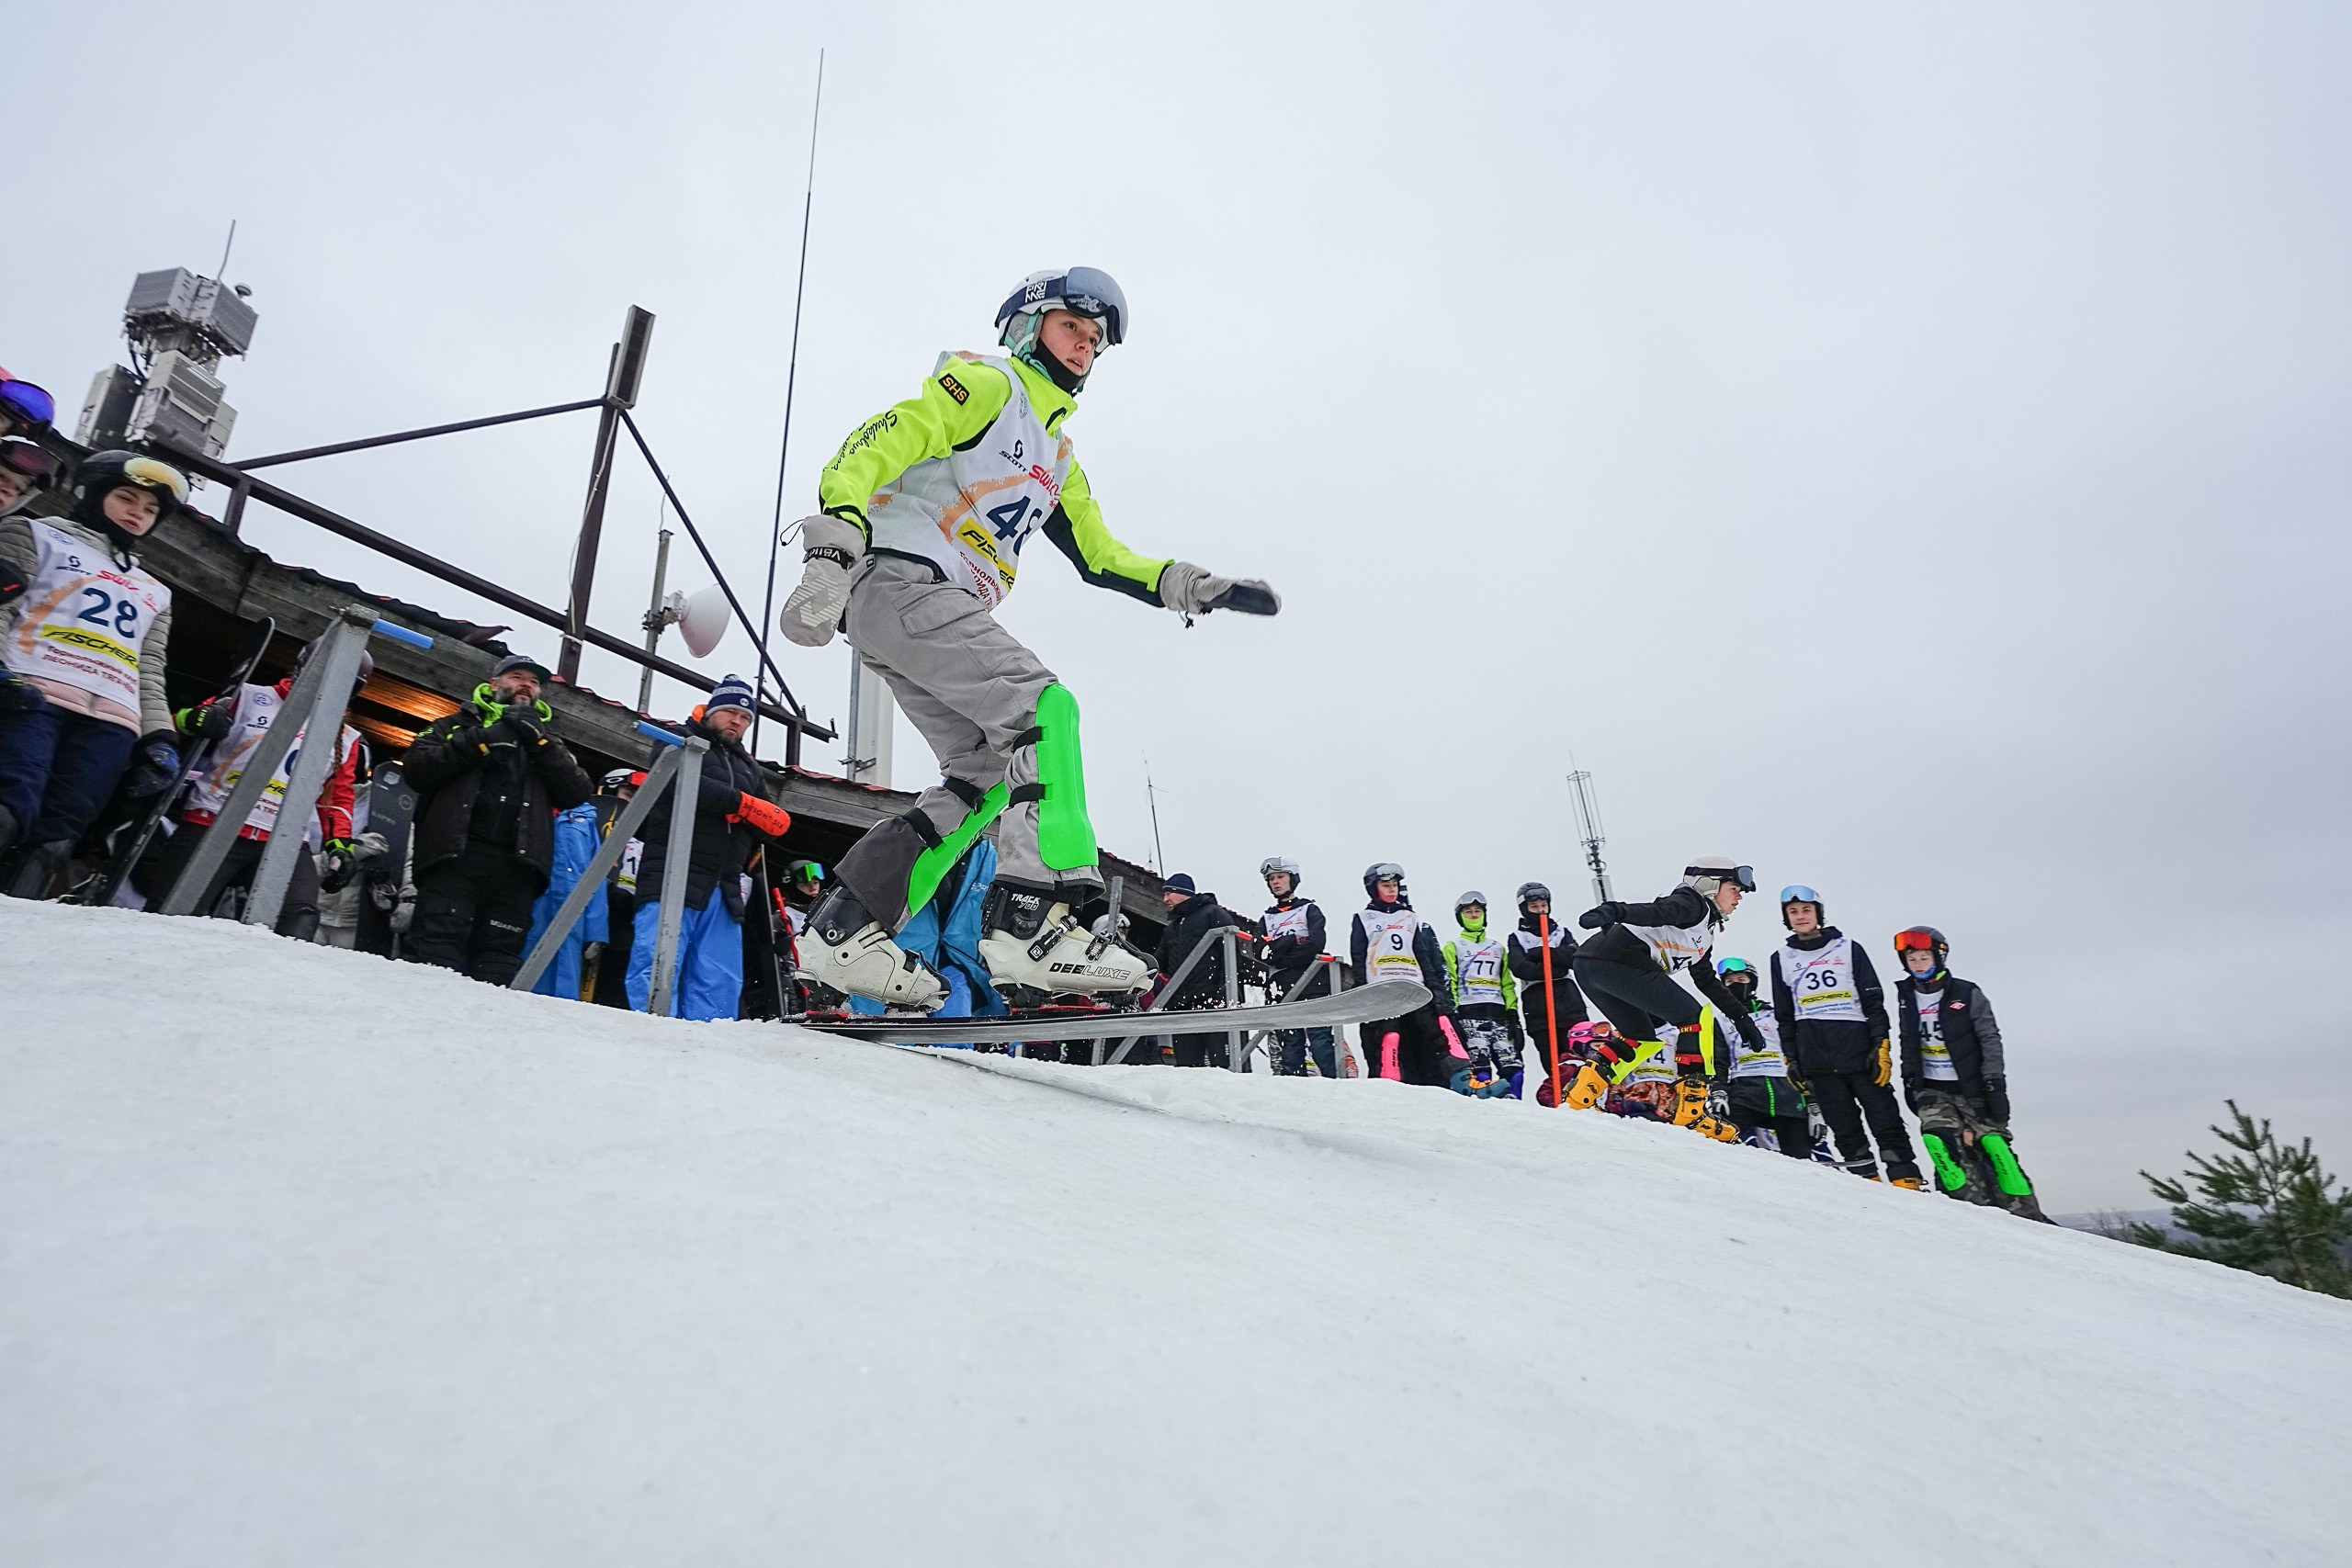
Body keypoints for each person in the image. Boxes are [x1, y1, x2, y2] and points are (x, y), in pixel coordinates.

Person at [782, 267, 1279, 1009]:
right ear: (1029, 324)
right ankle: (1031, 919)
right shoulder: (990, 387)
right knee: (1043, 707)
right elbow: (874, 446)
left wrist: (1189, 585)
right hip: (900, 576)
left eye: (1095, 339)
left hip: (924, 608)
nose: (1084, 347)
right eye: (1072, 327)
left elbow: (1101, 556)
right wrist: (833, 541)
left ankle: (844, 929)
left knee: (981, 778)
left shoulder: (1057, 458)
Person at [0, 451, 182, 896]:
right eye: (127, 498)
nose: (138, 513)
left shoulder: (156, 591)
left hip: (111, 721)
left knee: (60, 834)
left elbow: (149, 670)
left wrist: (159, 738)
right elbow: (2, 611)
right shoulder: (36, 536)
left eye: (150, 509)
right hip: (30, 693)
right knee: (9, 806)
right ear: (91, 493)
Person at [131, 637, 370, 938]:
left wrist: (339, 845)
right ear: (304, 667)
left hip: (284, 839)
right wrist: (193, 719)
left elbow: (336, 797)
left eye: (346, 685)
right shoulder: (249, 696)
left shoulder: (345, 737)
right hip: (215, 821)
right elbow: (177, 723)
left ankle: (258, 982)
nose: (332, 688)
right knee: (174, 915)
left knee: (299, 920)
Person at [401, 652, 594, 986]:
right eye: (517, 676)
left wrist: (540, 742)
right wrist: (480, 742)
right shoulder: (454, 725)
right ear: (494, 684)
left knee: (498, 965)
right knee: (435, 955)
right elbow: (417, 770)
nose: (527, 685)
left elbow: (577, 792)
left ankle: (481, 1036)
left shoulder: (549, 741)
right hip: (454, 858)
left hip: (517, 869)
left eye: (534, 682)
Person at [625, 675, 792, 1020]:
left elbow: (771, 825)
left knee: (719, 981)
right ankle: (651, 1041)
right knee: (657, 966)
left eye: (746, 718)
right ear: (711, 710)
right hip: (672, 873)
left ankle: (708, 1054)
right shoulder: (677, 738)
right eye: (731, 712)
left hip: (725, 884)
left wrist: (743, 809)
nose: (738, 721)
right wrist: (740, 805)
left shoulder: (748, 766)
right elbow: (680, 782)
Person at [1568, 858, 1763, 1126]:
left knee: (1640, 1038)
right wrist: (1613, 911)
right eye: (1735, 888)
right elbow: (1658, 912)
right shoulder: (1692, 904)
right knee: (1696, 1021)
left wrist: (1741, 1017)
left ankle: (1580, 1098)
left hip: (1592, 967)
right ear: (1709, 885)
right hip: (1616, 962)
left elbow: (1706, 979)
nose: (1740, 896)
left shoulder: (1704, 933)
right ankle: (1691, 1113)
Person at [1770, 886, 1921, 1188]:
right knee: (1845, 1128)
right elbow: (1784, 1016)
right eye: (1793, 912)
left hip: (1859, 1053)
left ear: (1818, 914)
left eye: (1806, 910)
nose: (1800, 917)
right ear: (1786, 918)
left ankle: (1907, 1181)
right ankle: (1867, 1185)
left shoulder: (1848, 948)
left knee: (1886, 1120)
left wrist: (1881, 1045)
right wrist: (1791, 1058)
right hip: (1817, 1059)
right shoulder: (1781, 958)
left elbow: (1873, 1003)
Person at [1894, 926, 2049, 1221]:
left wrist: (1994, 1083)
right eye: (1912, 959)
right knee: (1938, 1145)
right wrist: (1908, 1080)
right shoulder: (1906, 996)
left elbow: (1989, 1038)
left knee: (1994, 1147)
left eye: (1924, 957)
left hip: (1972, 1086)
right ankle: (1973, 1213)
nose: (1918, 964)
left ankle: (2027, 1215)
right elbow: (1907, 1040)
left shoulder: (1966, 992)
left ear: (1939, 957)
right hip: (1931, 1088)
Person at [1349, 863, 1474, 1090]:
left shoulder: (1409, 917)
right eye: (1386, 886)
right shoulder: (1363, 918)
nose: (1391, 890)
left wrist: (1435, 990)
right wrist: (1363, 991)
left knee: (1436, 1030)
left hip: (1415, 986)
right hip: (1383, 987)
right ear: (1373, 888)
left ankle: (1461, 1080)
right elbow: (1359, 956)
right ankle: (1389, 1083)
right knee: (1389, 1035)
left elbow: (1422, 955)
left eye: (1395, 885)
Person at [1713, 957, 1813, 1157]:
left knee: (1799, 1156)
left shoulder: (1775, 1016)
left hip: (1787, 1092)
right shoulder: (1721, 1022)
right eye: (1730, 982)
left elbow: (1801, 1056)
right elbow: (1719, 1063)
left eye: (1741, 980)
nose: (1736, 985)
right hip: (1745, 1092)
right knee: (1721, 1142)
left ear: (1752, 983)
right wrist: (1719, 1091)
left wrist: (1814, 1101)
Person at [1257, 854, 1339, 1077]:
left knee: (1321, 1044)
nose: (1275, 882)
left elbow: (1315, 944)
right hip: (1281, 989)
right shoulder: (1266, 917)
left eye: (1280, 876)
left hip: (1313, 984)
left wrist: (1281, 951)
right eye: (1271, 878)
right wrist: (1293, 940)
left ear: (1292, 879)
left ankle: (1337, 1090)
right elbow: (1261, 952)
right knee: (1290, 1050)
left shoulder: (1309, 910)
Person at [1150, 874, 1244, 1067]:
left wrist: (1224, 993)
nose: (1165, 899)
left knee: (1222, 1065)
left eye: (1169, 893)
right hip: (1181, 1008)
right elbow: (1159, 963)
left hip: (1213, 1005)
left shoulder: (1214, 914)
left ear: (1183, 892)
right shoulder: (1172, 928)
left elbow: (1232, 957)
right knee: (1187, 1068)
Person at [520, 796, 607, 1000]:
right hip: (533, 910)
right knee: (524, 983)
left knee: (564, 993)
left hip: (572, 917)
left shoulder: (584, 818)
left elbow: (597, 874)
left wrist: (596, 931)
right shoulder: (532, 806)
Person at [1506, 882, 1587, 1100]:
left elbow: (1574, 957)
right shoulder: (1517, 938)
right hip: (1538, 1003)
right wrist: (1553, 963)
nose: (1541, 911)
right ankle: (1559, 1096)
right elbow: (1520, 968)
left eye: (1543, 906)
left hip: (1568, 1001)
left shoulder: (1561, 932)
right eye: (1535, 907)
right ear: (1524, 909)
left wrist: (1540, 952)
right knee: (1551, 1057)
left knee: (1580, 1052)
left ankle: (1585, 1095)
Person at [1443, 891, 1522, 1097]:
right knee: (1480, 1071)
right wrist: (1452, 1013)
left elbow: (1507, 983)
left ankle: (1519, 1109)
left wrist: (1513, 1015)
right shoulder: (1453, 947)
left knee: (1515, 1070)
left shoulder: (1497, 948)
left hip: (1499, 1014)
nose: (1473, 915)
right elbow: (1449, 980)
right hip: (1469, 1014)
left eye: (1477, 911)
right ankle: (1486, 1110)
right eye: (1468, 912)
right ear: (1461, 917)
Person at [587, 768, 643, 1007]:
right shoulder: (582, 823)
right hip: (579, 919)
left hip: (621, 936)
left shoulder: (645, 842)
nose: (632, 804)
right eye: (628, 794)